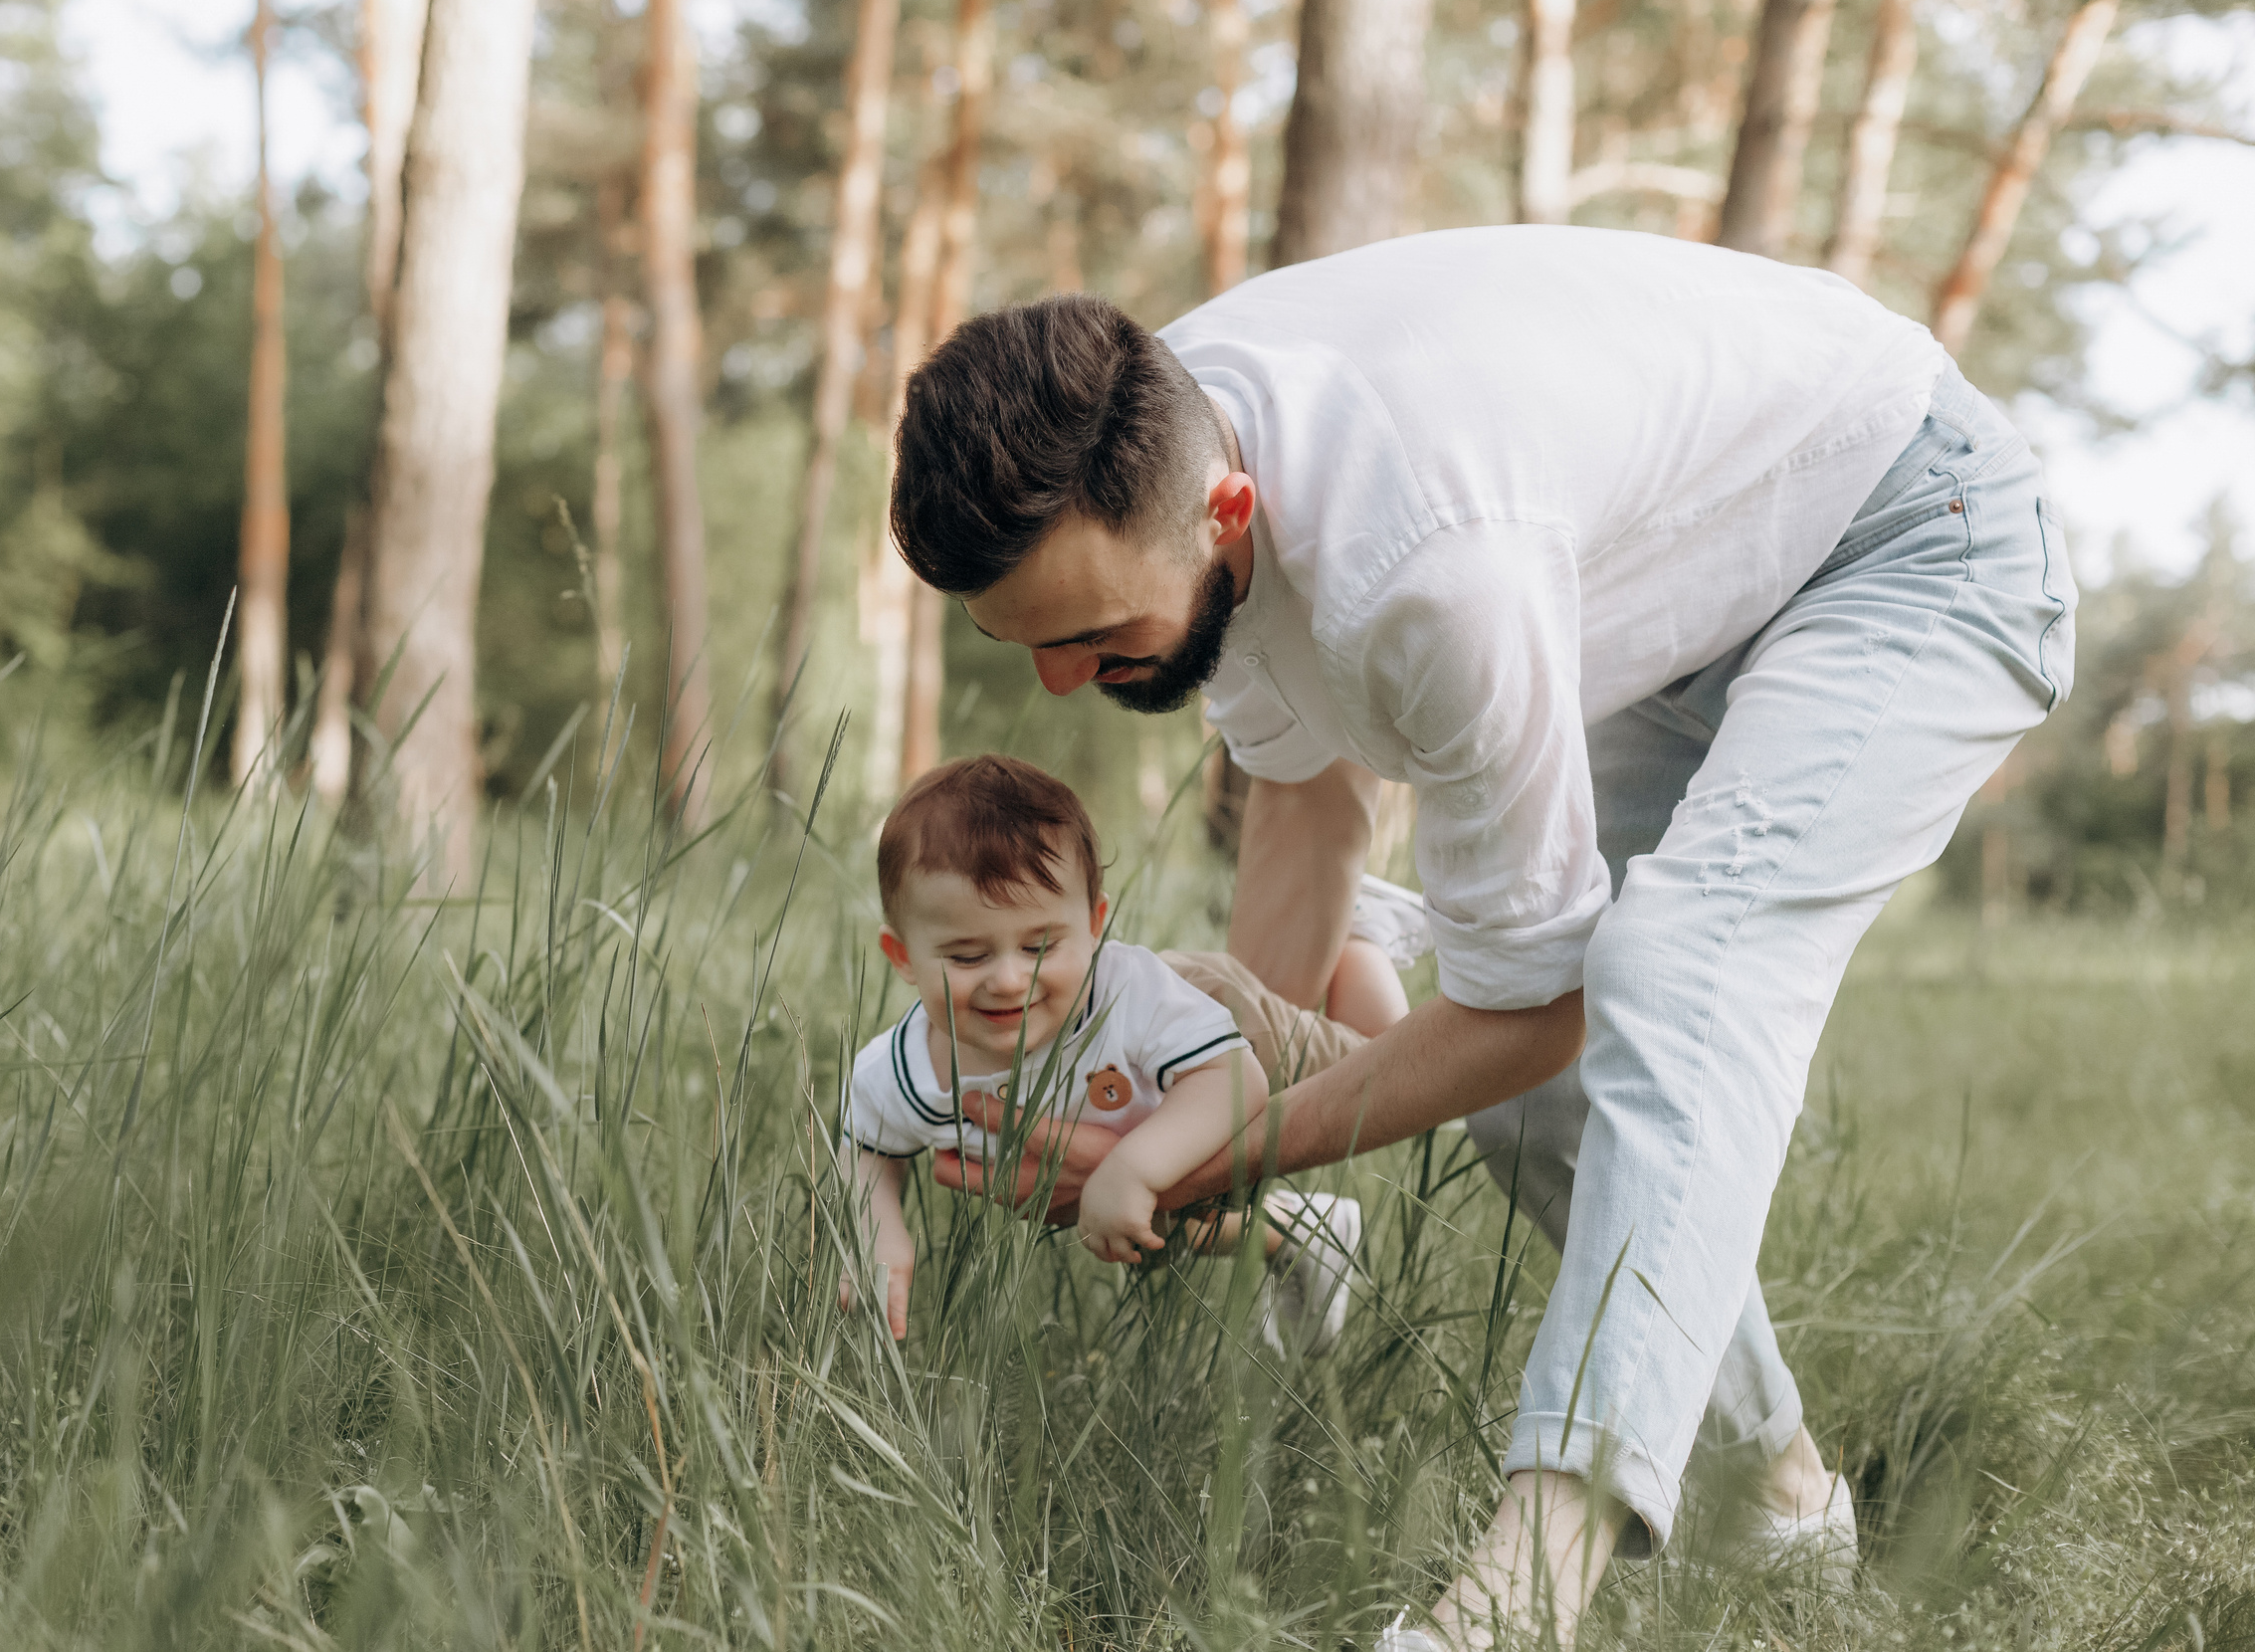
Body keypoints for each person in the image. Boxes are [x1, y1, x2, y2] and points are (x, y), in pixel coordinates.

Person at [886, 228, 2076, 1647]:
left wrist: (1218, 1151)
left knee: (1676, 966)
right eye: (1019, 643)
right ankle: (1783, 1499)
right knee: (1532, 1109)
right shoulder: (1153, 430)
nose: (1064, 682)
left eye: (1091, 633)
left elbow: (1539, 1004)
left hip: (1908, 527)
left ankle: (1519, 1600)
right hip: (1681, 596)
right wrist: (1204, 1091)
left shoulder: (1423, 560)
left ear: (1229, 508)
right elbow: (1308, 809)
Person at [837, 754, 1406, 1355]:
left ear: (1094, 924)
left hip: (1216, 1032)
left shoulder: (1130, 994)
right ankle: (1305, 1232)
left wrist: (1131, 1169)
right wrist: (878, 1231)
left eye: (1039, 945)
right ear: (901, 957)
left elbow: (1235, 1078)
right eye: (967, 956)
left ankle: (1365, 929)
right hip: (1146, 1118)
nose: (1008, 980)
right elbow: (867, 1151)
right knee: (1145, 1224)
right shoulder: (905, 1072)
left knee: (1381, 1067)